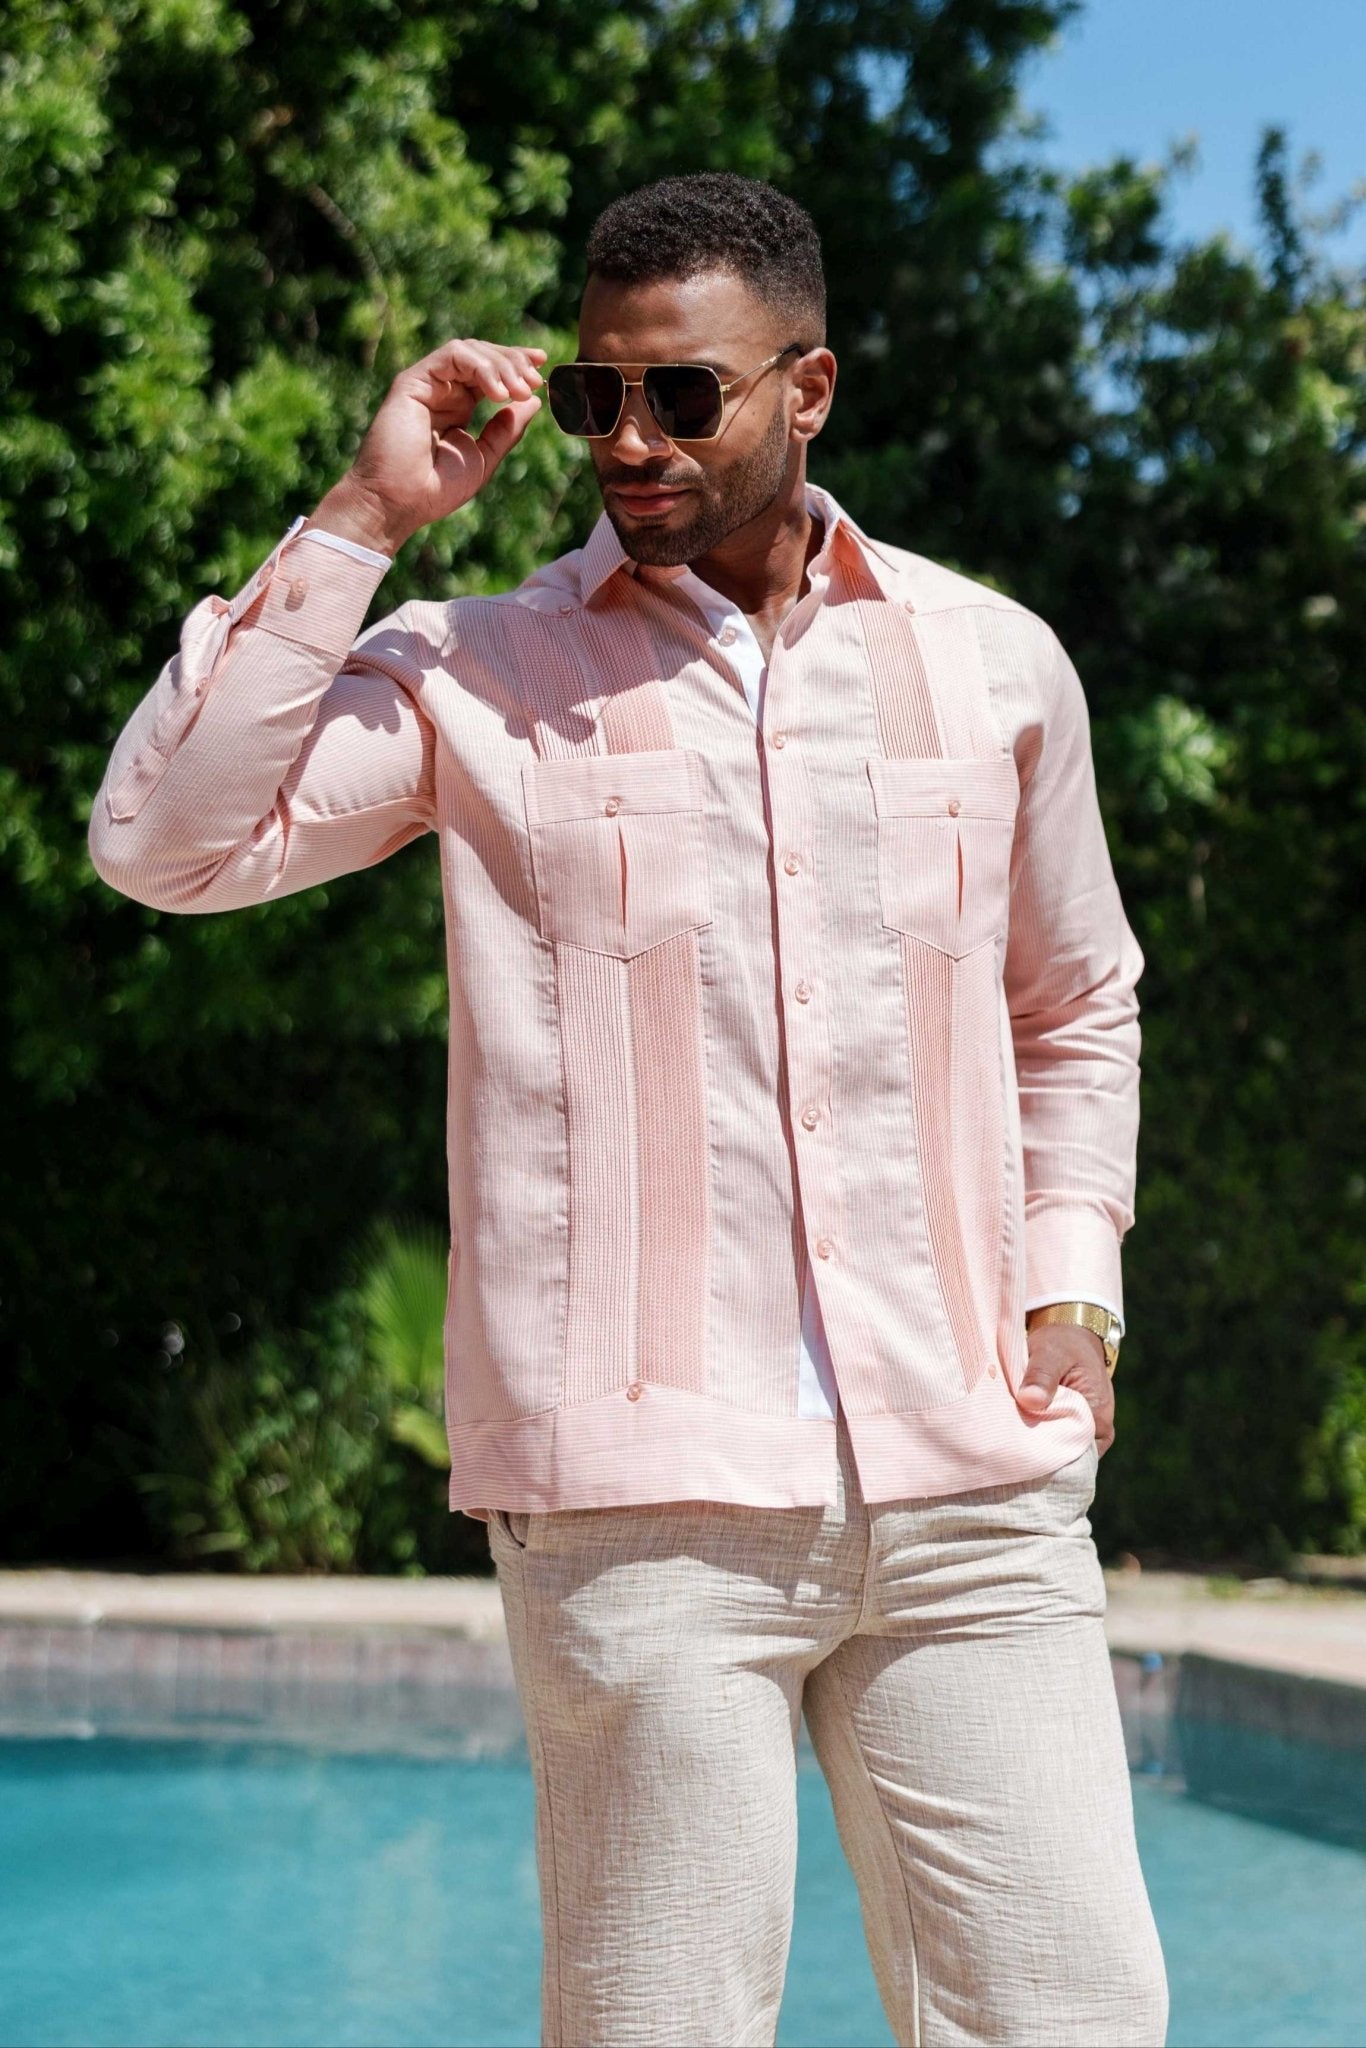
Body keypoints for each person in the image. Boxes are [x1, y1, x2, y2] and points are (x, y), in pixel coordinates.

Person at [89, 171, 1169, 2047]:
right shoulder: (475, 670)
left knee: (1076, 2015)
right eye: (596, 399)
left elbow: (1073, 1001)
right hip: (643, 1515)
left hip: (974, 1486)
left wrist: (1071, 1295)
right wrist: (361, 517)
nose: (628, 442)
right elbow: (164, 845)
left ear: (806, 388)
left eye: (683, 397)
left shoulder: (993, 664)